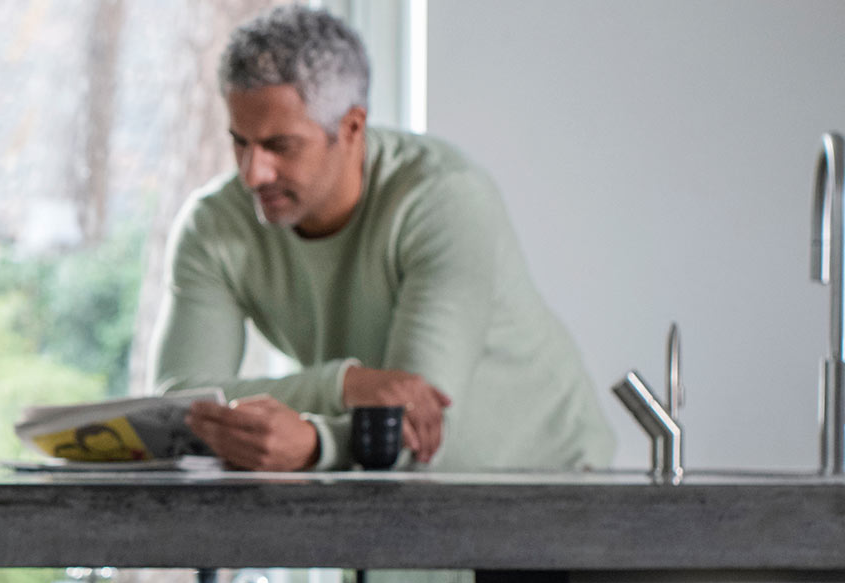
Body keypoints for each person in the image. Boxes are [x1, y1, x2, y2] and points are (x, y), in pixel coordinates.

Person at [151, 6, 613, 472]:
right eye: (240, 142)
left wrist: (315, 444)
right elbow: (178, 405)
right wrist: (343, 385)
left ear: (352, 127)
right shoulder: (213, 223)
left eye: (280, 146)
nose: (253, 174)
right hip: (395, 491)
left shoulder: (444, 198)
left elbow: (417, 424)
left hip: (550, 478)